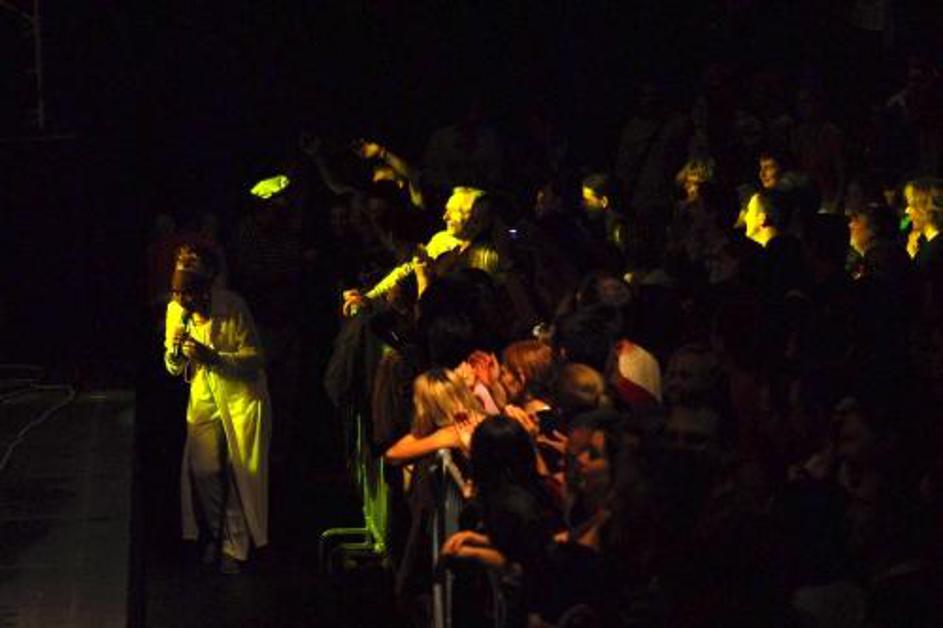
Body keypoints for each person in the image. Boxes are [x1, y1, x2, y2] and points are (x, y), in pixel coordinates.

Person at [163, 244, 271, 574]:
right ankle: (215, 531)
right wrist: (176, 355)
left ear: (205, 287)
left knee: (239, 471)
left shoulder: (233, 307)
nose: (179, 298)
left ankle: (233, 547)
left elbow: (255, 359)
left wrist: (214, 358)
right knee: (205, 468)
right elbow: (171, 365)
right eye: (175, 291)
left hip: (242, 396)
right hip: (204, 393)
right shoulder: (174, 311)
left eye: (186, 291)